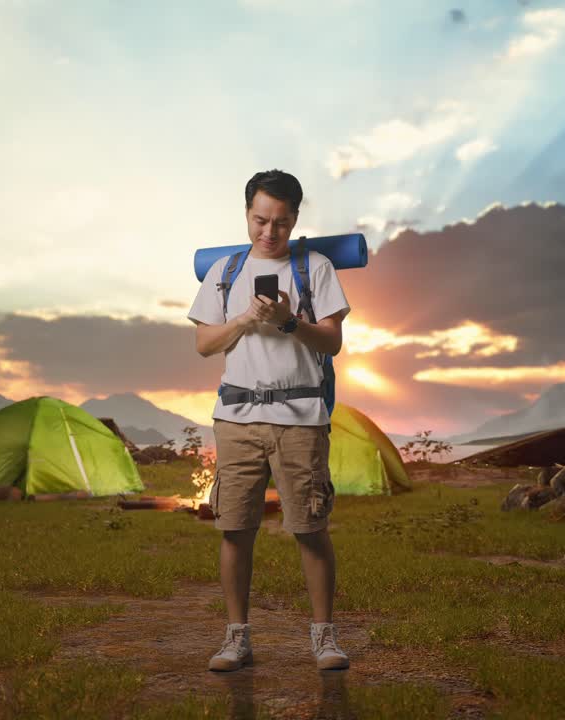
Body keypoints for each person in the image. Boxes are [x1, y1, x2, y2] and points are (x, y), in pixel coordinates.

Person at [187, 169, 351, 672]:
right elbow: (204, 344)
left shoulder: (315, 267)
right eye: (260, 220)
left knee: (310, 528)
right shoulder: (225, 271)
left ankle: (324, 638)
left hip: (301, 418)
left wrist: (288, 321)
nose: (269, 232)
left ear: (295, 218)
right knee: (235, 529)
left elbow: (332, 342)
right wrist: (244, 319)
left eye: (280, 222)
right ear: (247, 214)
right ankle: (236, 639)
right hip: (236, 418)